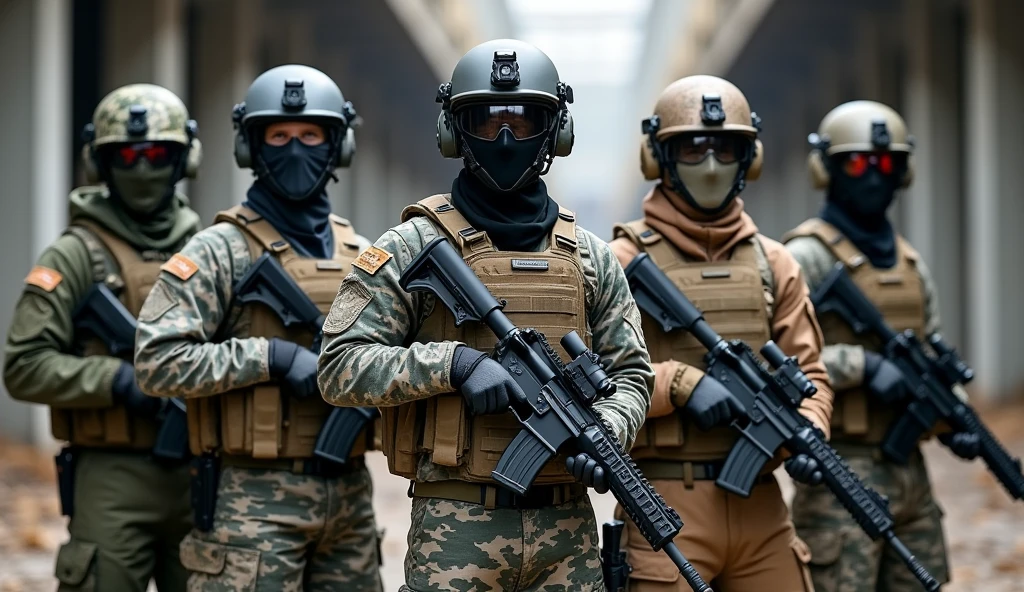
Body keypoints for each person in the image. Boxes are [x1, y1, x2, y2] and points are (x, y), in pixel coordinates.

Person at [316, 39, 654, 591]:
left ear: (555, 133)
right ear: (454, 131)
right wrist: (452, 365)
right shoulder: (410, 247)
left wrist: (607, 431)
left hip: (566, 529)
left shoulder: (589, 255)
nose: (503, 138)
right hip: (455, 526)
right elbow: (338, 365)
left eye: (523, 122)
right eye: (484, 120)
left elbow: (633, 375)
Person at [133, 65, 381, 591]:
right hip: (252, 501)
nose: (296, 150)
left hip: (351, 501)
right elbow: (157, 362)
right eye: (279, 136)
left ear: (338, 145)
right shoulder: (217, 250)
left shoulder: (362, 255)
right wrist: (270, 357)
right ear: (252, 148)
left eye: (312, 135)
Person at [608, 75, 834, 591]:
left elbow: (811, 371)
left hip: (761, 506)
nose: (711, 165)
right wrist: (678, 385)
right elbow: (592, 378)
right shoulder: (619, 263)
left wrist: (808, 429)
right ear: (658, 158)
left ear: (748, 159)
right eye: (691, 149)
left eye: (725, 149)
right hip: (664, 505)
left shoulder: (773, 261)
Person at [3, 83, 202, 591]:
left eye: (157, 154)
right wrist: (118, 380)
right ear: (101, 163)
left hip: (200, 472)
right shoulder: (73, 256)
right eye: (126, 155)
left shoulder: (211, 249)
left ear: (185, 160)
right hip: (111, 477)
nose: (142, 168)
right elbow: (23, 365)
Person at [784, 100, 967, 592]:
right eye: (858, 163)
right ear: (827, 169)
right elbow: (774, 360)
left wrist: (955, 416)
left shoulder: (908, 261)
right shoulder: (804, 256)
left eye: (887, 164)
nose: (873, 177)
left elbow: (933, 349)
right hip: (839, 469)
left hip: (908, 472)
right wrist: (860, 365)